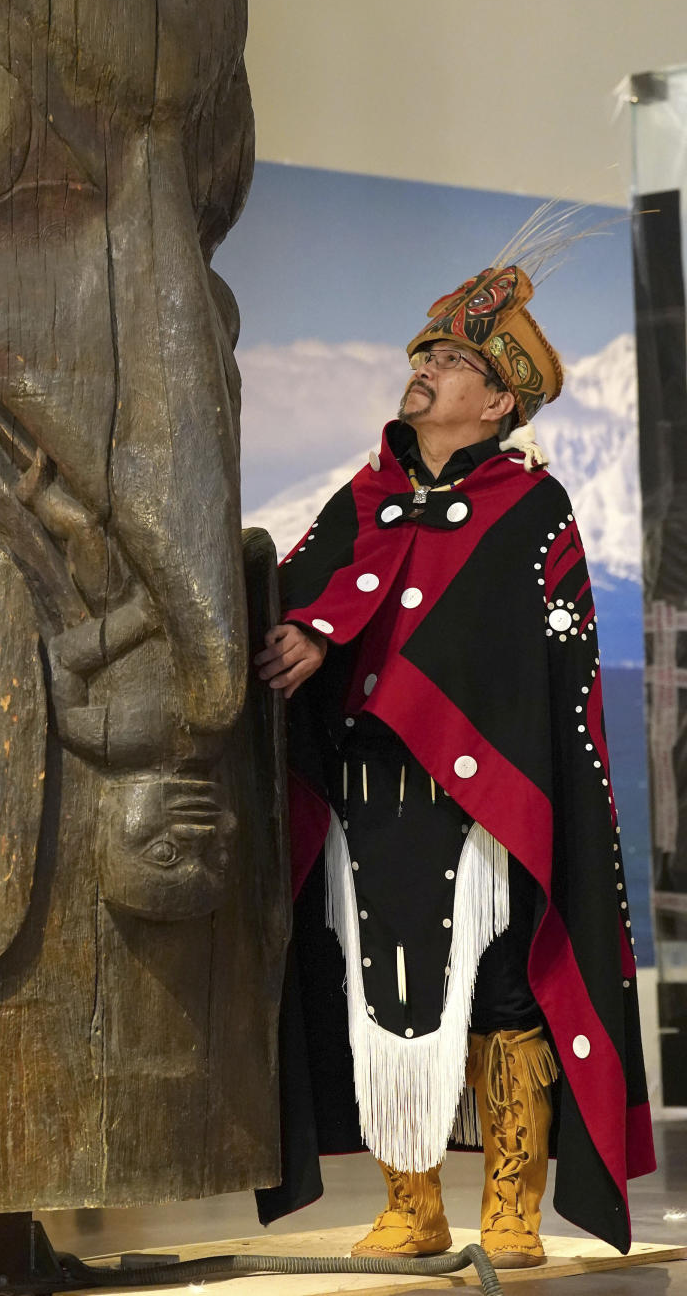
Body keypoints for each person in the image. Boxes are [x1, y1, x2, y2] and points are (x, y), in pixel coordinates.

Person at [254, 263, 655, 1269]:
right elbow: (312, 592)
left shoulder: (537, 506)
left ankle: (510, 1208)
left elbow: (523, 651)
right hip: (369, 796)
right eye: (424, 356)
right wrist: (309, 623)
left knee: (504, 994)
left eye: (450, 361)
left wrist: (360, 646)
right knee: (384, 991)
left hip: (484, 800)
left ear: (499, 399)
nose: (425, 372)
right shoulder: (366, 496)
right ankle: (412, 1202)